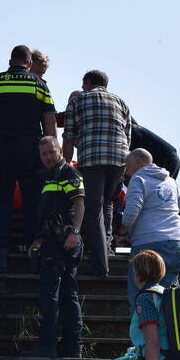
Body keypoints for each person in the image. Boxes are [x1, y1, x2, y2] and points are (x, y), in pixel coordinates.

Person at [0, 45, 58, 274]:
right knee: (32, 199)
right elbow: (49, 122)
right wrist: (55, 154)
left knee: (3, 198)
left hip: (0, 148)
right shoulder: (39, 84)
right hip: (31, 149)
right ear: (29, 64)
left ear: (10, 60)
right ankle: (30, 248)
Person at [62, 70, 131, 277]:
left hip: (92, 159)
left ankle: (100, 265)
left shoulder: (78, 101)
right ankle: (107, 249)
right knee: (107, 203)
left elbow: (68, 136)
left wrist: (65, 165)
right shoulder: (121, 102)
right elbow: (128, 137)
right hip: (119, 161)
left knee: (93, 209)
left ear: (88, 82)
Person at [25, 136, 85, 358]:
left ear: (60, 151)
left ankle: (48, 345)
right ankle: (71, 347)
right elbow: (49, 212)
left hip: (65, 241)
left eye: (52, 152)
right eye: (44, 154)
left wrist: (75, 233)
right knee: (66, 295)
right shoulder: (49, 175)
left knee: (52, 294)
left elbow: (79, 203)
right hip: (52, 241)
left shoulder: (68, 172)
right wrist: (38, 239)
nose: (48, 157)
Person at [119, 148, 180, 312]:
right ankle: (168, 336)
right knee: (168, 301)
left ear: (138, 163)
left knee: (142, 300)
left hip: (147, 245)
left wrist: (122, 231)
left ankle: (146, 337)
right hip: (174, 244)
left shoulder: (139, 178)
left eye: (128, 168)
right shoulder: (170, 180)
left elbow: (132, 209)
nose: (127, 173)